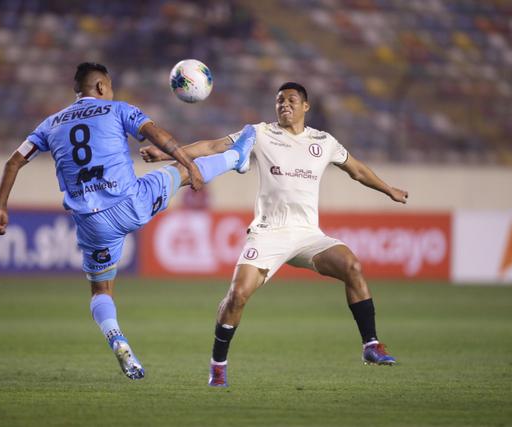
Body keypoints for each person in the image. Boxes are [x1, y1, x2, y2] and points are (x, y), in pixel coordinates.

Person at [0, 62, 255, 380]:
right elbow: (162, 138)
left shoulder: (49, 125)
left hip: (90, 222)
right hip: (130, 204)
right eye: (110, 87)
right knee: (179, 173)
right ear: (101, 87)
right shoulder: (117, 109)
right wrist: (191, 165)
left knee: (101, 291)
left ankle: (118, 340)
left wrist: (1, 209)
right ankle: (237, 158)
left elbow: (13, 161)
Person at [140, 82, 409, 387]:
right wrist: (167, 154)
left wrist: (389, 190)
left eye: (291, 100)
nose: (284, 105)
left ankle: (371, 345)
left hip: (308, 235)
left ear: (305, 107)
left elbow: (357, 170)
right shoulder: (260, 133)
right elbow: (214, 146)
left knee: (352, 266)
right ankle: (218, 364)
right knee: (237, 296)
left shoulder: (324, 141)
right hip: (269, 233)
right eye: (279, 101)